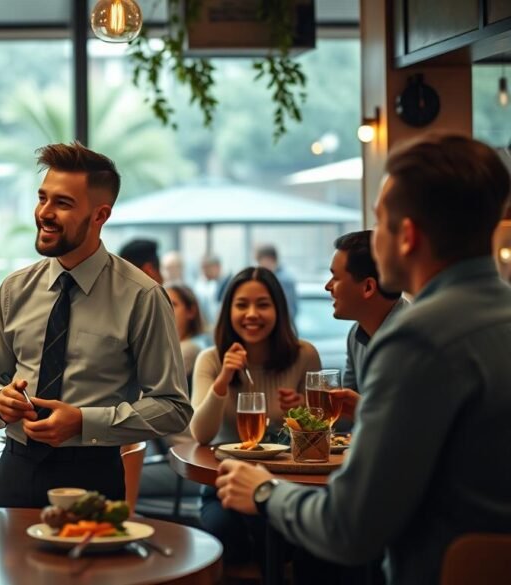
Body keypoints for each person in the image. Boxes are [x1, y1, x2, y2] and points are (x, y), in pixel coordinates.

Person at [215, 134, 511, 585]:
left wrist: (264, 491)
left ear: (407, 236)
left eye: (381, 222)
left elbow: (349, 527)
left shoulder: (418, 339)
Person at [0, 142, 192, 508]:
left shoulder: (142, 296)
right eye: (43, 198)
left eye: (63, 203)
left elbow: (173, 407)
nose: (44, 213)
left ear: (100, 215)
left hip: (93, 475)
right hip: (15, 467)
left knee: (89, 567)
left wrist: (84, 422)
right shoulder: (14, 289)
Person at [190, 267, 320, 568]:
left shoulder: (304, 355)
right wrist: (223, 379)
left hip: (286, 484)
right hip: (223, 483)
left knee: (283, 537)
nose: (252, 314)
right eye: (241, 305)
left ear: (279, 309)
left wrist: (301, 414)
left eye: (263, 304)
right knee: (225, 534)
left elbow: (322, 433)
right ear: (228, 311)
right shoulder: (210, 359)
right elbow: (201, 435)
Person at [325, 230, 407, 393]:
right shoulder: (356, 334)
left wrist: (358, 408)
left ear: (368, 287)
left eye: (336, 278)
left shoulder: (412, 338)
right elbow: (346, 405)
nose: (328, 286)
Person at [165, 283, 206, 383]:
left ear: (191, 311)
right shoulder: (169, 346)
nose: (165, 309)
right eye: (163, 304)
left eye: (173, 304)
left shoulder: (191, 348)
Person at [255, 244, 299, 318]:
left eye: (261, 262)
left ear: (271, 259)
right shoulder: (265, 277)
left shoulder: (284, 280)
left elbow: (288, 310)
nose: (260, 266)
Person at [194, 253, 228, 326]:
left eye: (206, 268)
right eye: (202, 268)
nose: (204, 272)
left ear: (217, 267)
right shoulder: (205, 286)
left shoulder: (227, 284)